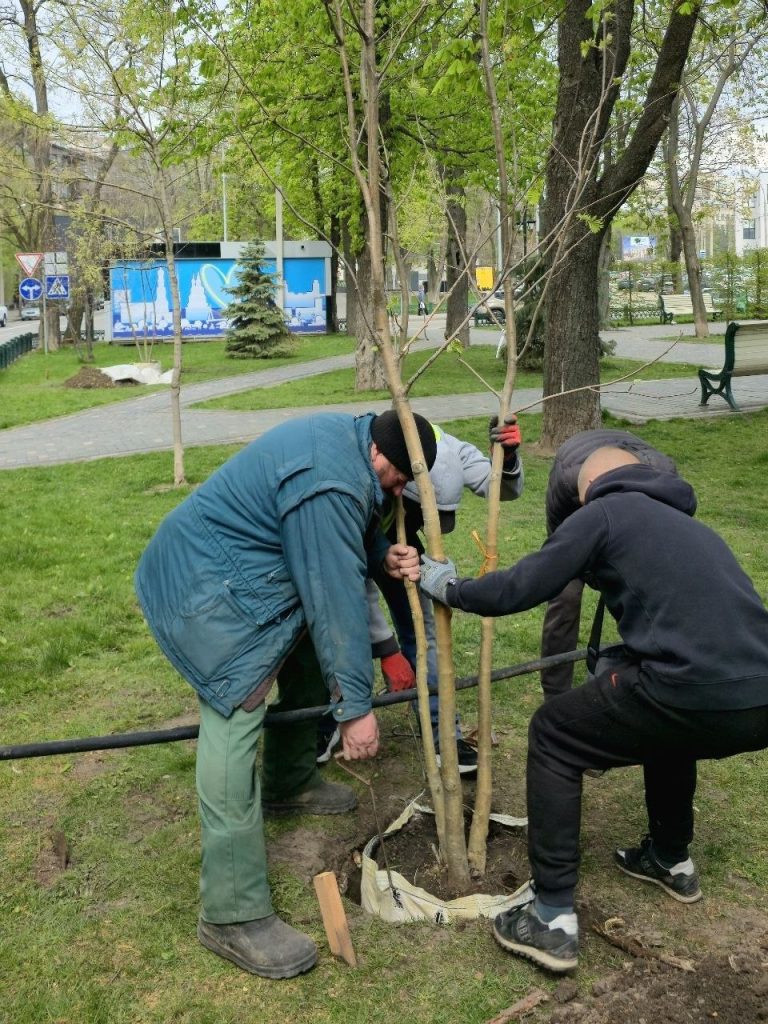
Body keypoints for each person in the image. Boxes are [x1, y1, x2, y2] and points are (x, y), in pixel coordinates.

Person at [419, 446, 768, 973]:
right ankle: (670, 857)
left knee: (555, 734)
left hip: (687, 688)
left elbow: (521, 587)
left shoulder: (604, 513)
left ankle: (551, 916)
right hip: (756, 698)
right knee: (671, 729)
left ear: (589, 486)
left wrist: (450, 586)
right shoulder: (687, 525)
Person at [135, 409, 437, 979]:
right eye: (400, 480)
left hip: (237, 569)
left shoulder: (349, 444)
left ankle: (289, 782)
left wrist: (379, 553)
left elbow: (344, 537)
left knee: (301, 658)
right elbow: (334, 597)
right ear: (381, 457)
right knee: (235, 709)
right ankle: (230, 913)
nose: (400, 492)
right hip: (204, 590)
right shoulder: (329, 479)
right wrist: (355, 709)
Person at [318, 417, 525, 775]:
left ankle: (442, 732)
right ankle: (327, 720)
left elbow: (502, 489)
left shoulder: (450, 450)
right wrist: (387, 650)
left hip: (399, 543)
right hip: (348, 538)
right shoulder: (369, 466)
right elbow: (352, 587)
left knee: (424, 631)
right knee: (340, 627)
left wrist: (505, 457)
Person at [540, 428, 678, 699]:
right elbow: (557, 549)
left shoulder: (664, 481)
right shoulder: (567, 484)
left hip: (639, 511)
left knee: (647, 595)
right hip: (576, 463)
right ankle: (555, 691)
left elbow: (671, 540)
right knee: (564, 596)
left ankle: (651, 677)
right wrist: (591, 573)